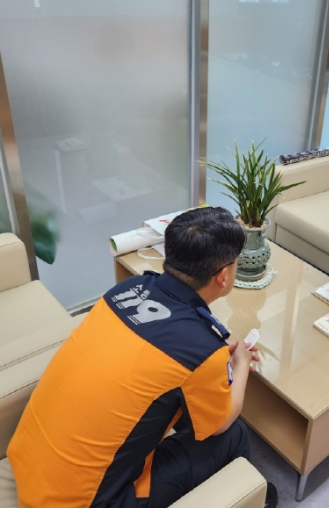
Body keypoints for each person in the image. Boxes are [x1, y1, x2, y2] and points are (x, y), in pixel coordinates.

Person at [8, 207, 277, 508]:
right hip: (80, 502)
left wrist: (209, 360)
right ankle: (250, 496)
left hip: (27, 461)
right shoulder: (202, 351)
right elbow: (221, 423)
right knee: (234, 434)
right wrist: (240, 365)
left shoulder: (126, 290)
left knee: (179, 403)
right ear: (224, 275)